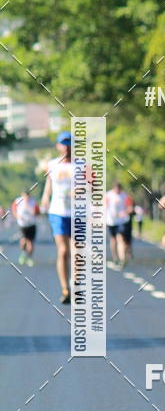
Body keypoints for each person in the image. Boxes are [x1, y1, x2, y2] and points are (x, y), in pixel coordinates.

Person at [40, 130, 73, 303]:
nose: (66, 147)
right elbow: (49, 185)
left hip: (78, 213)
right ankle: (65, 289)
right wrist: (45, 198)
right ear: (58, 146)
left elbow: (93, 188)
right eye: (63, 144)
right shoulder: (52, 165)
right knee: (63, 251)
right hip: (58, 212)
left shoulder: (82, 165)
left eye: (69, 144)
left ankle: (74, 284)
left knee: (77, 253)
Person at [105, 181, 134, 267]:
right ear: (114, 188)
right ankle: (115, 257)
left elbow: (130, 208)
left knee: (120, 238)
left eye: (119, 189)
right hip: (111, 221)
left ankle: (122, 259)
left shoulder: (125, 196)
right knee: (113, 240)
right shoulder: (108, 195)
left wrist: (124, 212)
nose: (118, 191)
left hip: (122, 221)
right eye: (116, 189)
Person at [12, 190, 39, 266]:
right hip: (22, 224)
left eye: (27, 195)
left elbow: (36, 212)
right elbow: (14, 210)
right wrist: (17, 217)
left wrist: (27, 205)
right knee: (23, 240)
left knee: (30, 241)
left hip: (31, 224)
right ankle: (23, 254)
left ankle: (29, 257)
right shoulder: (18, 201)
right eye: (24, 195)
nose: (26, 197)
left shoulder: (33, 202)